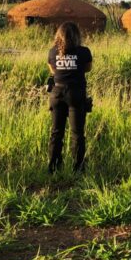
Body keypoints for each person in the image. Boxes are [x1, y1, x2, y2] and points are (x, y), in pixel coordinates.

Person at [47, 21, 92, 174]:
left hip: (57, 93)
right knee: (77, 133)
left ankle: (53, 167)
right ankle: (78, 168)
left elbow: (53, 71)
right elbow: (88, 68)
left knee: (56, 132)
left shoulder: (53, 52)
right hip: (76, 94)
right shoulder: (84, 52)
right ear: (76, 35)